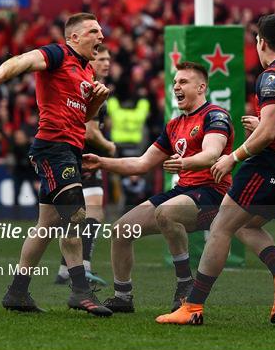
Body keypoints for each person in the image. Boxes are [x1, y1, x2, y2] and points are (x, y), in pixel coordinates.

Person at [156, 14, 275, 325]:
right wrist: (265, 127)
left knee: (221, 227)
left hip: (272, 165)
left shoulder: (274, 75)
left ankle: (192, 307)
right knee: (246, 226)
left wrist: (234, 156)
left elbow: (270, 132)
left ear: (261, 42)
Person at [0, 12, 112, 317]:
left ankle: (17, 292)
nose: (101, 37)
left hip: (70, 150)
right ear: (74, 37)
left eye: (101, 32)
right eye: (94, 32)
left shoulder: (87, 72)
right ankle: (80, 292)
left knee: (46, 226)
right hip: (53, 148)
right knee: (74, 216)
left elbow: (84, 117)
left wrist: (97, 101)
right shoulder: (57, 54)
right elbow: (22, 60)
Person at [83, 61, 234, 313]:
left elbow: (211, 154)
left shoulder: (215, 115)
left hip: (212, 193)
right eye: (175, 82)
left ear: (201, 87)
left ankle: (185, 283)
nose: (176, 86)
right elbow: (142, 163)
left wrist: (183, 162)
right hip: (184, 191)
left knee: (166, 212)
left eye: (183, 82)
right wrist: (101, 162)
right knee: (121, 230)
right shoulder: (174, 125)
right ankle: (123, 296)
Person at [55, 43, 116, 286]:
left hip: (77, 154)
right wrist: (109, 146)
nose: (106, 62)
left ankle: (65, 269)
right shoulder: (91, 88)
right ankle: (82, 266)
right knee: (92, 210)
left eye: (108, 58)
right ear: (90, 61)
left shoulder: (90, 86)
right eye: (101, 58)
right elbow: (90, 132)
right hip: (85, 155)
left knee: (79, 212)